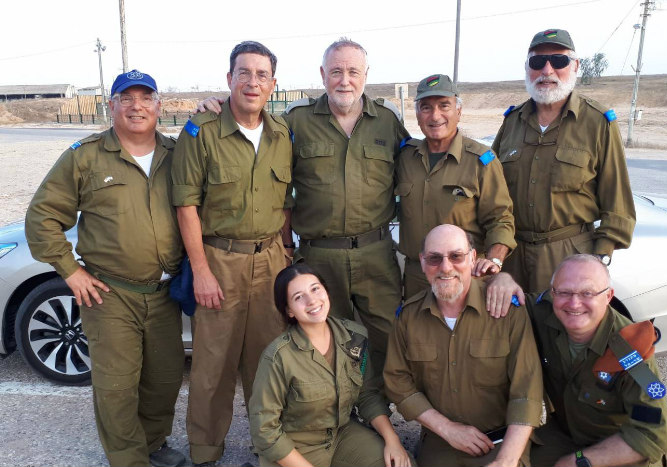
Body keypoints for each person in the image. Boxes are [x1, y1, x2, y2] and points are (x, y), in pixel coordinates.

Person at [196, 37, 409, 377]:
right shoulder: (296, 121)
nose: (345, 80)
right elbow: (255, 126)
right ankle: (335, 415)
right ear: (323, 74)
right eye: (336, 71)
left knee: (386, 339)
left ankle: (376, 412)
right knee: (322, 342)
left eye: (353, 71)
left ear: (366, 75)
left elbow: (413, 172)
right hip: (319, 257)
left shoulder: (387, 121)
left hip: (376, 254)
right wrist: (220, 102)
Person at [25, 70, 186, 467]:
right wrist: (71, 271)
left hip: (165, 294)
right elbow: (41, 217)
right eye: (125, 98)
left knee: (163, 381)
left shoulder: (176, 154)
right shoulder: (86, 155)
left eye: (145, 97)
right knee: (117, 387)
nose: (136, 106)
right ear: (110, 105)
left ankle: (152, 444)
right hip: (111, 295)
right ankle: (128, 460)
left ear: (158, 105)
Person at [171, 41, 293, 467]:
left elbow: (286, 203)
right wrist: (201, 271)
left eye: (262, 75)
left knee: (269, 363)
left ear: (273, 84)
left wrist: (287, 254)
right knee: (212, 369)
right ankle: (205, 453)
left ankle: (269, 450)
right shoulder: (201, 132)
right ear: (229, 80)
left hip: (271, 261)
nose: (252, 82)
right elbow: (186, 205)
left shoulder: (282, 135)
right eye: (244, 73)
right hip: (219, 262)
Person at [383, 224, 543, 467]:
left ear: (472, 258)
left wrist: (507, 461)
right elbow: (398, 384)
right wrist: (447, 429)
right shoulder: (408, 317)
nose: (446, 267)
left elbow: (527, 391)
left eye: (456, 256)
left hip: (501, 443)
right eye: (435, 259)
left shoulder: (506, 311)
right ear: (423, 262)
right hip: (442, 442)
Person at [492, 28, 636, 293]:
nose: (547, 70)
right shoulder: (512, 122)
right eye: (537, 62)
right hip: (512, 256)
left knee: (559, 332)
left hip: (570, 254)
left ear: (575, 66)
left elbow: (618, 206)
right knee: (512, 331)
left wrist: (598, 260)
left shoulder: (597, 122)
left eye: (559, 61)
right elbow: (491, 193)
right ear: (527, 67)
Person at [248, 263, 413, 467]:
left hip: (340, 435)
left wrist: (393, 440)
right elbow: (265, 429)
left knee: (400, 464)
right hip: (294, 448)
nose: (312, 300)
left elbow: (367, 395)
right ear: (289, 311)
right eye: (299, 297)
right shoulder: (278, 356)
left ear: (326, 291)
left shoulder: (354, 337)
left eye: (315, 289)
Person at [520, 254, 667, 466]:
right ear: (553, 292)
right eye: (564, 292)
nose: (574, 303)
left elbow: (652, 434)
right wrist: (503, 280)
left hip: (620, 448)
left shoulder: (631, 350)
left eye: (587, 293)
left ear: (609, 296)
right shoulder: (543, 312)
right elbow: (512, 299)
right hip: (568, 434)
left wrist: (579, 461)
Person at [396, 74, 516, 299]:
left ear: (458, 111)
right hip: (416, 278)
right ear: (417, 115)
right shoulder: (405, 158)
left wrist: (494, 261)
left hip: (462, 276)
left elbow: (501, 219)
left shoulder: (481, 161)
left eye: (444, 106)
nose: (435, 116)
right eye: (426, 107)